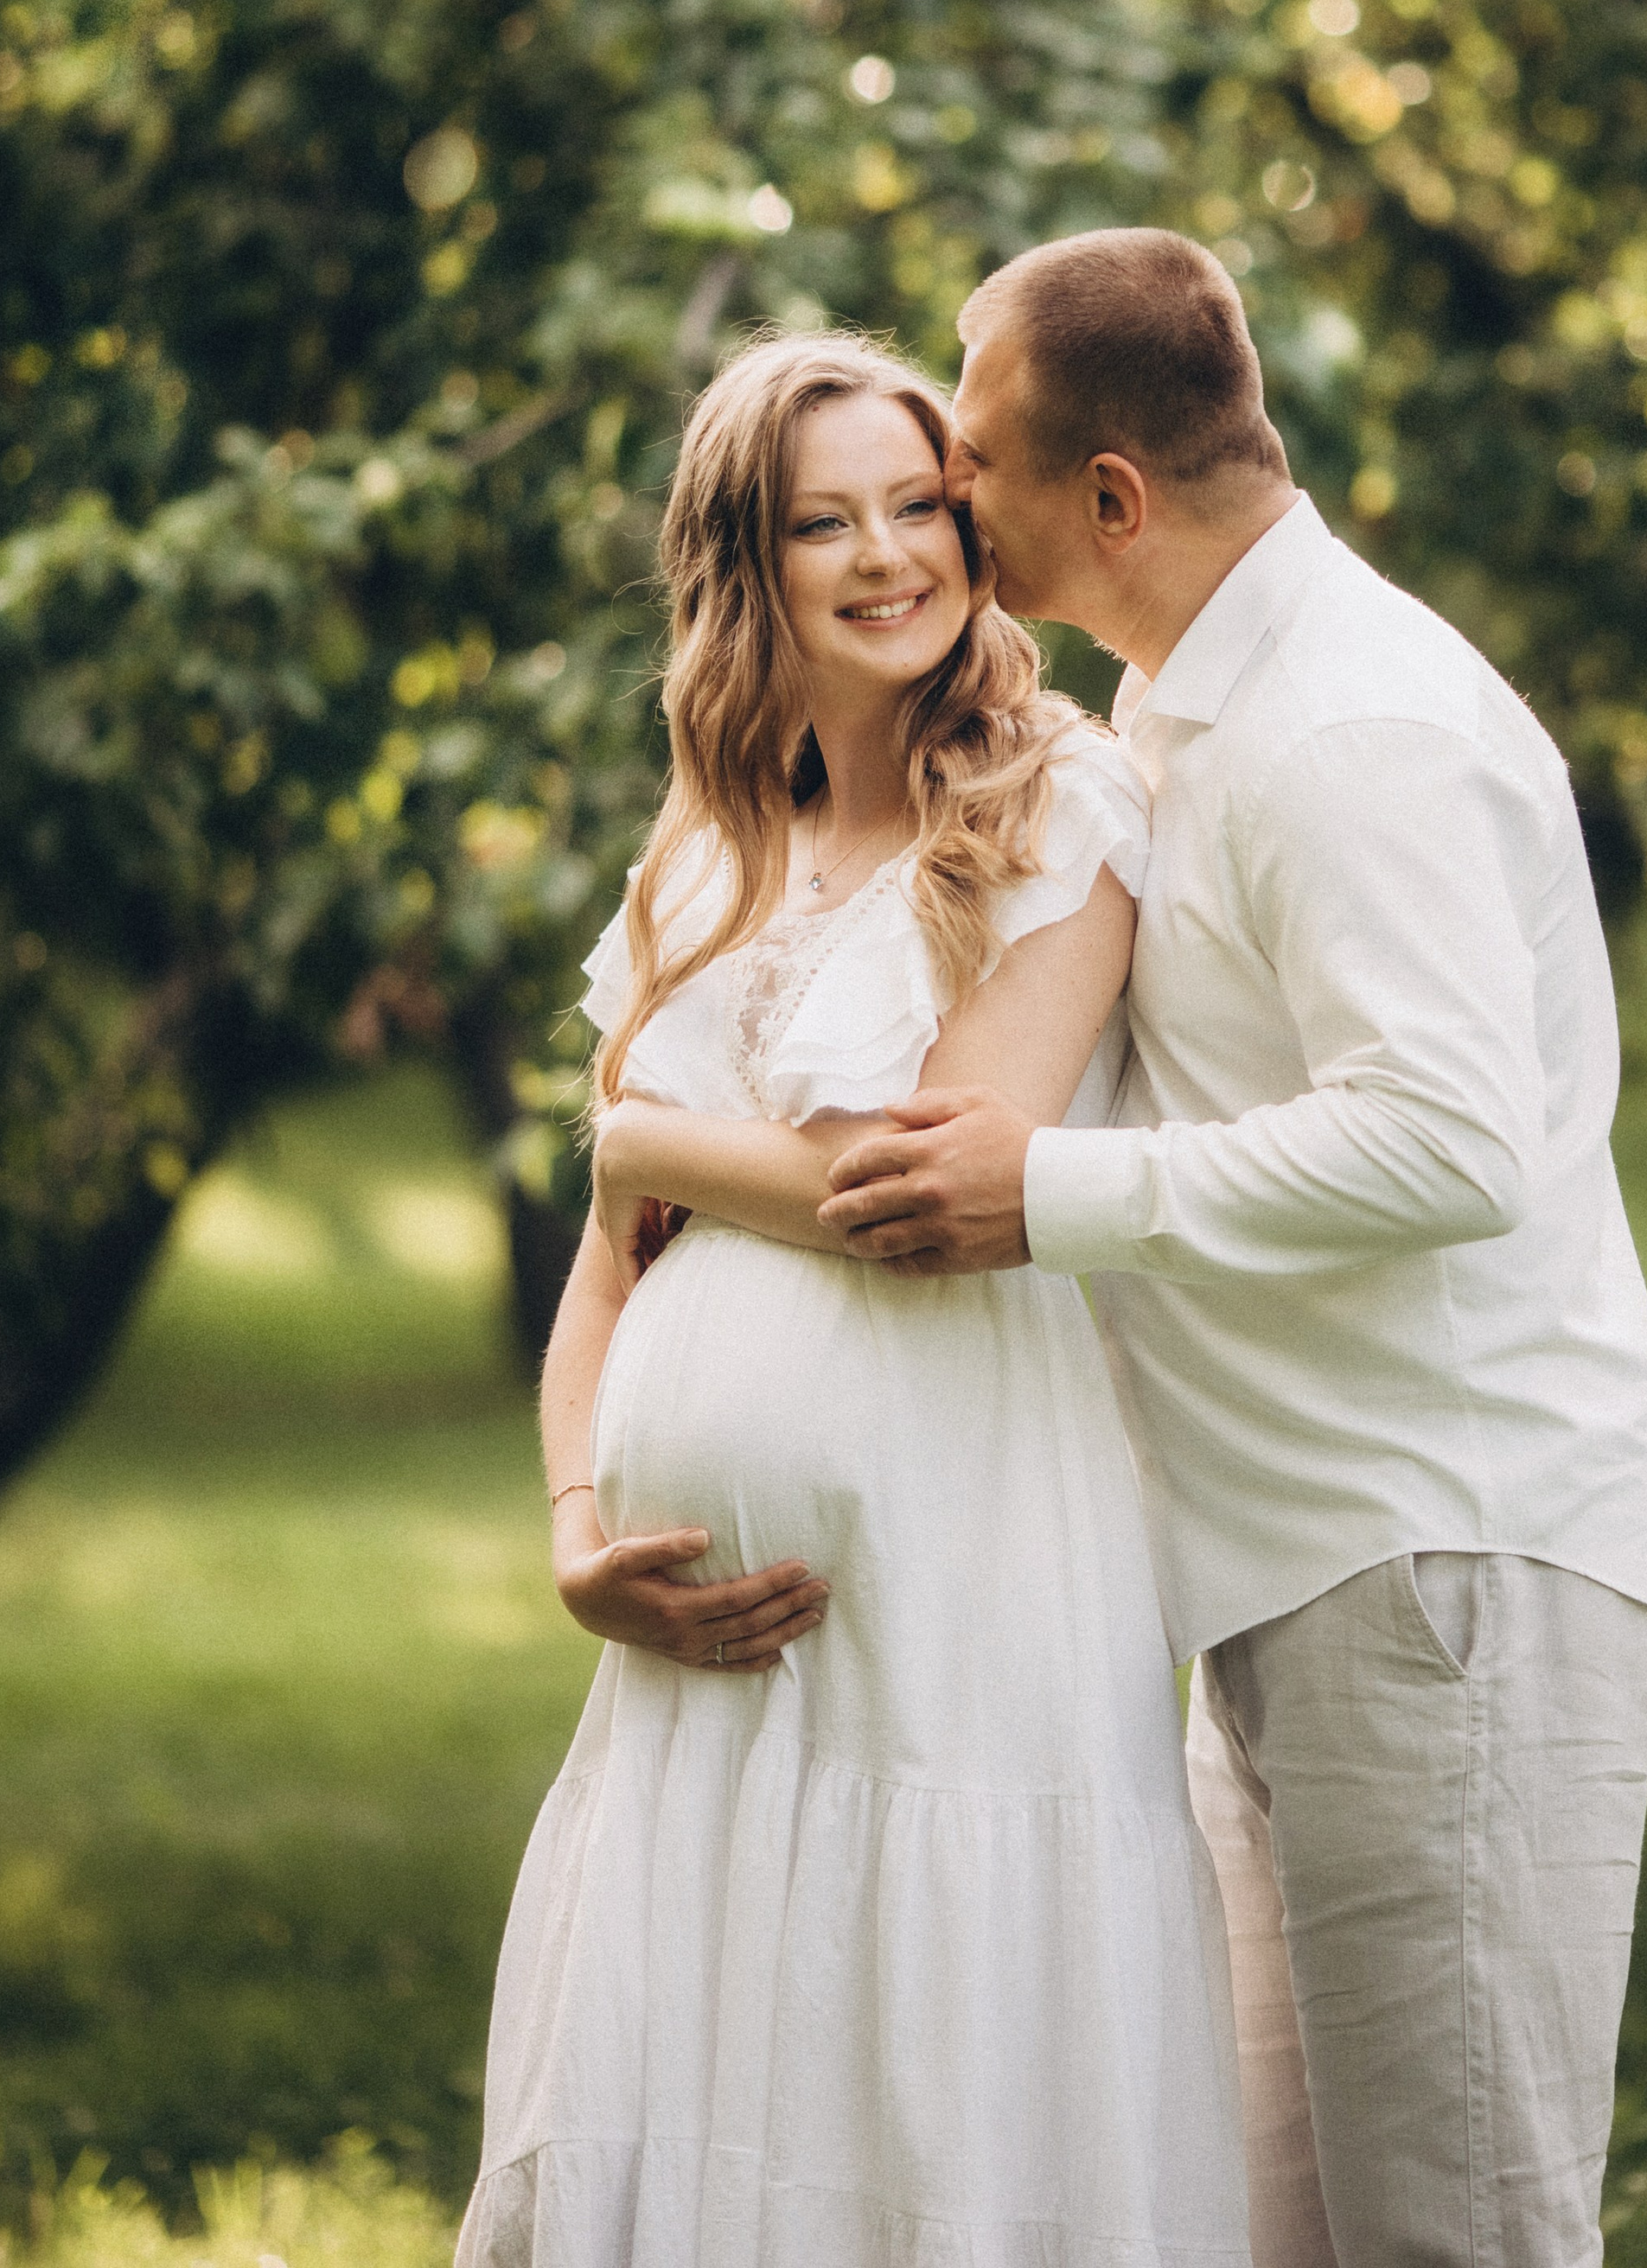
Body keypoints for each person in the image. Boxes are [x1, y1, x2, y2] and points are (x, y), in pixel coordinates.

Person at [814, 229, 1647, 2268]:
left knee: (1453, 2231)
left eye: (972, 458)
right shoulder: (1181, 719)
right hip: (1301, 1577)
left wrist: (1043, 1198)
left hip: (1444, 1571)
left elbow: (1447, 1137)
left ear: (1104, 499)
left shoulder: (1350, 732)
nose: (945, 492)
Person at [456, 328, 1251, 2268]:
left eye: (920, 504)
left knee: (928, 2071)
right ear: (748, 564)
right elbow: (600, 1293)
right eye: (826, 522)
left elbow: (927, 1184)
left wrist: (643, 1141)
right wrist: (576, 1535)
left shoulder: (1055, 805)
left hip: (962, 1568)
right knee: (711, 2079)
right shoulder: (705, 850)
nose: (889, 553)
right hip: (697, 1665)